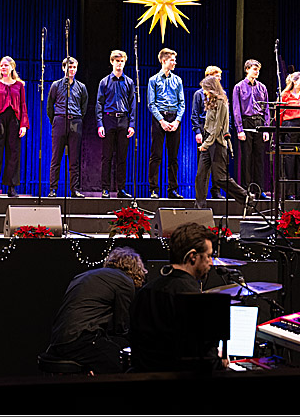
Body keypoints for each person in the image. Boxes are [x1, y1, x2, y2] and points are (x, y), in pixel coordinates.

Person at [129, 222, 227, 373]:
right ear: (193, 257)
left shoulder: (145, 292)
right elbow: (205, 363)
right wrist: (221, 362)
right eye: (208, 256)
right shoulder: (193, 298)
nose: (211, 262)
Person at [43, 247, 148, 374]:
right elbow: (122, 326)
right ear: (136, 269)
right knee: (122, 364)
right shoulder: (125, 281)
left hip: (58, 341)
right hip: (80, 340)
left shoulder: (86, 275)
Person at [194, 76, 251, 211]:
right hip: (208, 140)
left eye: (205, 89)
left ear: (211, 88)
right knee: (200, 176)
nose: (204, 92)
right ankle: (199, 208)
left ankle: (246, 197)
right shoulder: (210, 101)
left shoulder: (221, 102)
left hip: (217, 143)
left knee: (220, 178)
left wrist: (205, 144)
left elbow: (218, 127)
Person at [0, 56, 28, 197]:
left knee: (13, 154)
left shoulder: (19, 85)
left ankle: (11, 187)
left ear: (12, 67)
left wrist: (23, 125)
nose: (3, 67)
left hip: (14, 121)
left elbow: (23, 105)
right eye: (1, 65)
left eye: (6, 65)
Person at [47, 57, 89, 198]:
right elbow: (49, 106)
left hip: (75, 121)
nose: (72, 70)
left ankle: (74, 189)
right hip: (60, 121)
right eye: (69, 67)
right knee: (56, 158)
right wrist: (55, 120)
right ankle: (53, 189)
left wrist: (77, 119)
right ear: (63, 68)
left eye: (74, 67)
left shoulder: (81, 87)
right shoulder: (56, 85)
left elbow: (84, 107)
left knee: (74, 159)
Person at [96, 50, 136, 199]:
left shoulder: (129, 82)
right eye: (117, 61)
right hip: (109, 119)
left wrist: (132, 124)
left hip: (123, 120)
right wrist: (100, 124)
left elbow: (133, 104)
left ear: (125, 63)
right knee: (106, 157)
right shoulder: (104, 82)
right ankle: (105, 188)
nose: (119, 64)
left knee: (122, 157)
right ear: (112, 62)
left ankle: (121, 189)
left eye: (121, 61)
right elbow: (99, 104)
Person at [147, 48, 184, 199]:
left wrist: (177, 121)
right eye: (172, 60)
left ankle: (172, 189)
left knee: (173, 157)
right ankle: (153, 189)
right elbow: (151, 104)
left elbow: (182, 103)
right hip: (159, 118)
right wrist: (161, 121)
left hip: (174, 118)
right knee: (156, 155)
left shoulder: (178, 80)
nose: (175, 63)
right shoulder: (153, 80)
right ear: (164, 61)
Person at [231, 59, 271, 198]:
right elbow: (236, 109)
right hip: (246, 122)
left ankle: (260, 189)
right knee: (246, 158)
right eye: (254, 69)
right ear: (247, 69)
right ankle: (246, 189)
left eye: (258, 69)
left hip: (259, 122)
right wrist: (239, 129)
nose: (257, 72)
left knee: (259, 158)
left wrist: (266, 129)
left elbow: (266, 109)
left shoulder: (262, 87)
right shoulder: (239, 87)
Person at [191, 66, 224, 200]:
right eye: (216, 76)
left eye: (220, 76)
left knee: (217, 164)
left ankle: (216, 191)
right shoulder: (199, 94)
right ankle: (201, 196)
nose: (219, 79)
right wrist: (198, 132)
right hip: (204, 130)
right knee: (203, 167)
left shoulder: (221, 95)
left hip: (217, 132)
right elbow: (194, 115)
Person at [279, 72, 300, 200]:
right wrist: (282, 128)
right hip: (289, 125)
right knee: (289, 159)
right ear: (294, 81)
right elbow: (280, 113)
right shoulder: (285, 95)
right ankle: (288, 192)